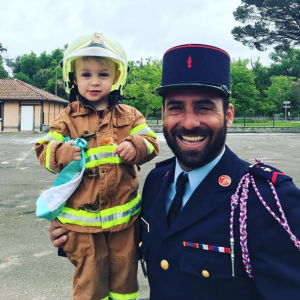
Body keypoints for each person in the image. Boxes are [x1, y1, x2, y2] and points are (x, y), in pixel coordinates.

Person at [49, 43, 300, 300]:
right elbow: (122, 236)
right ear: (164, 114)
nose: (189, 122)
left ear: (229, 114)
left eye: (204, 107)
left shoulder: (266, 198)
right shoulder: (156, 182)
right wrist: (73, 227)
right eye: (176, 107)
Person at [35, 31, 159, 300]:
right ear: (74, 79)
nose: (94, 82)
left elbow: (151, 142)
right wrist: (63, 152)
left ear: (116, 78)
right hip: (82, 229)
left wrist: (136, 146)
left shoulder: (130, 115)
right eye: (86, 74)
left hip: (125, 226)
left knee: (125, 283)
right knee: (90, 285)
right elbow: (43, 150)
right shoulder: (66, 119)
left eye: (103, 75)